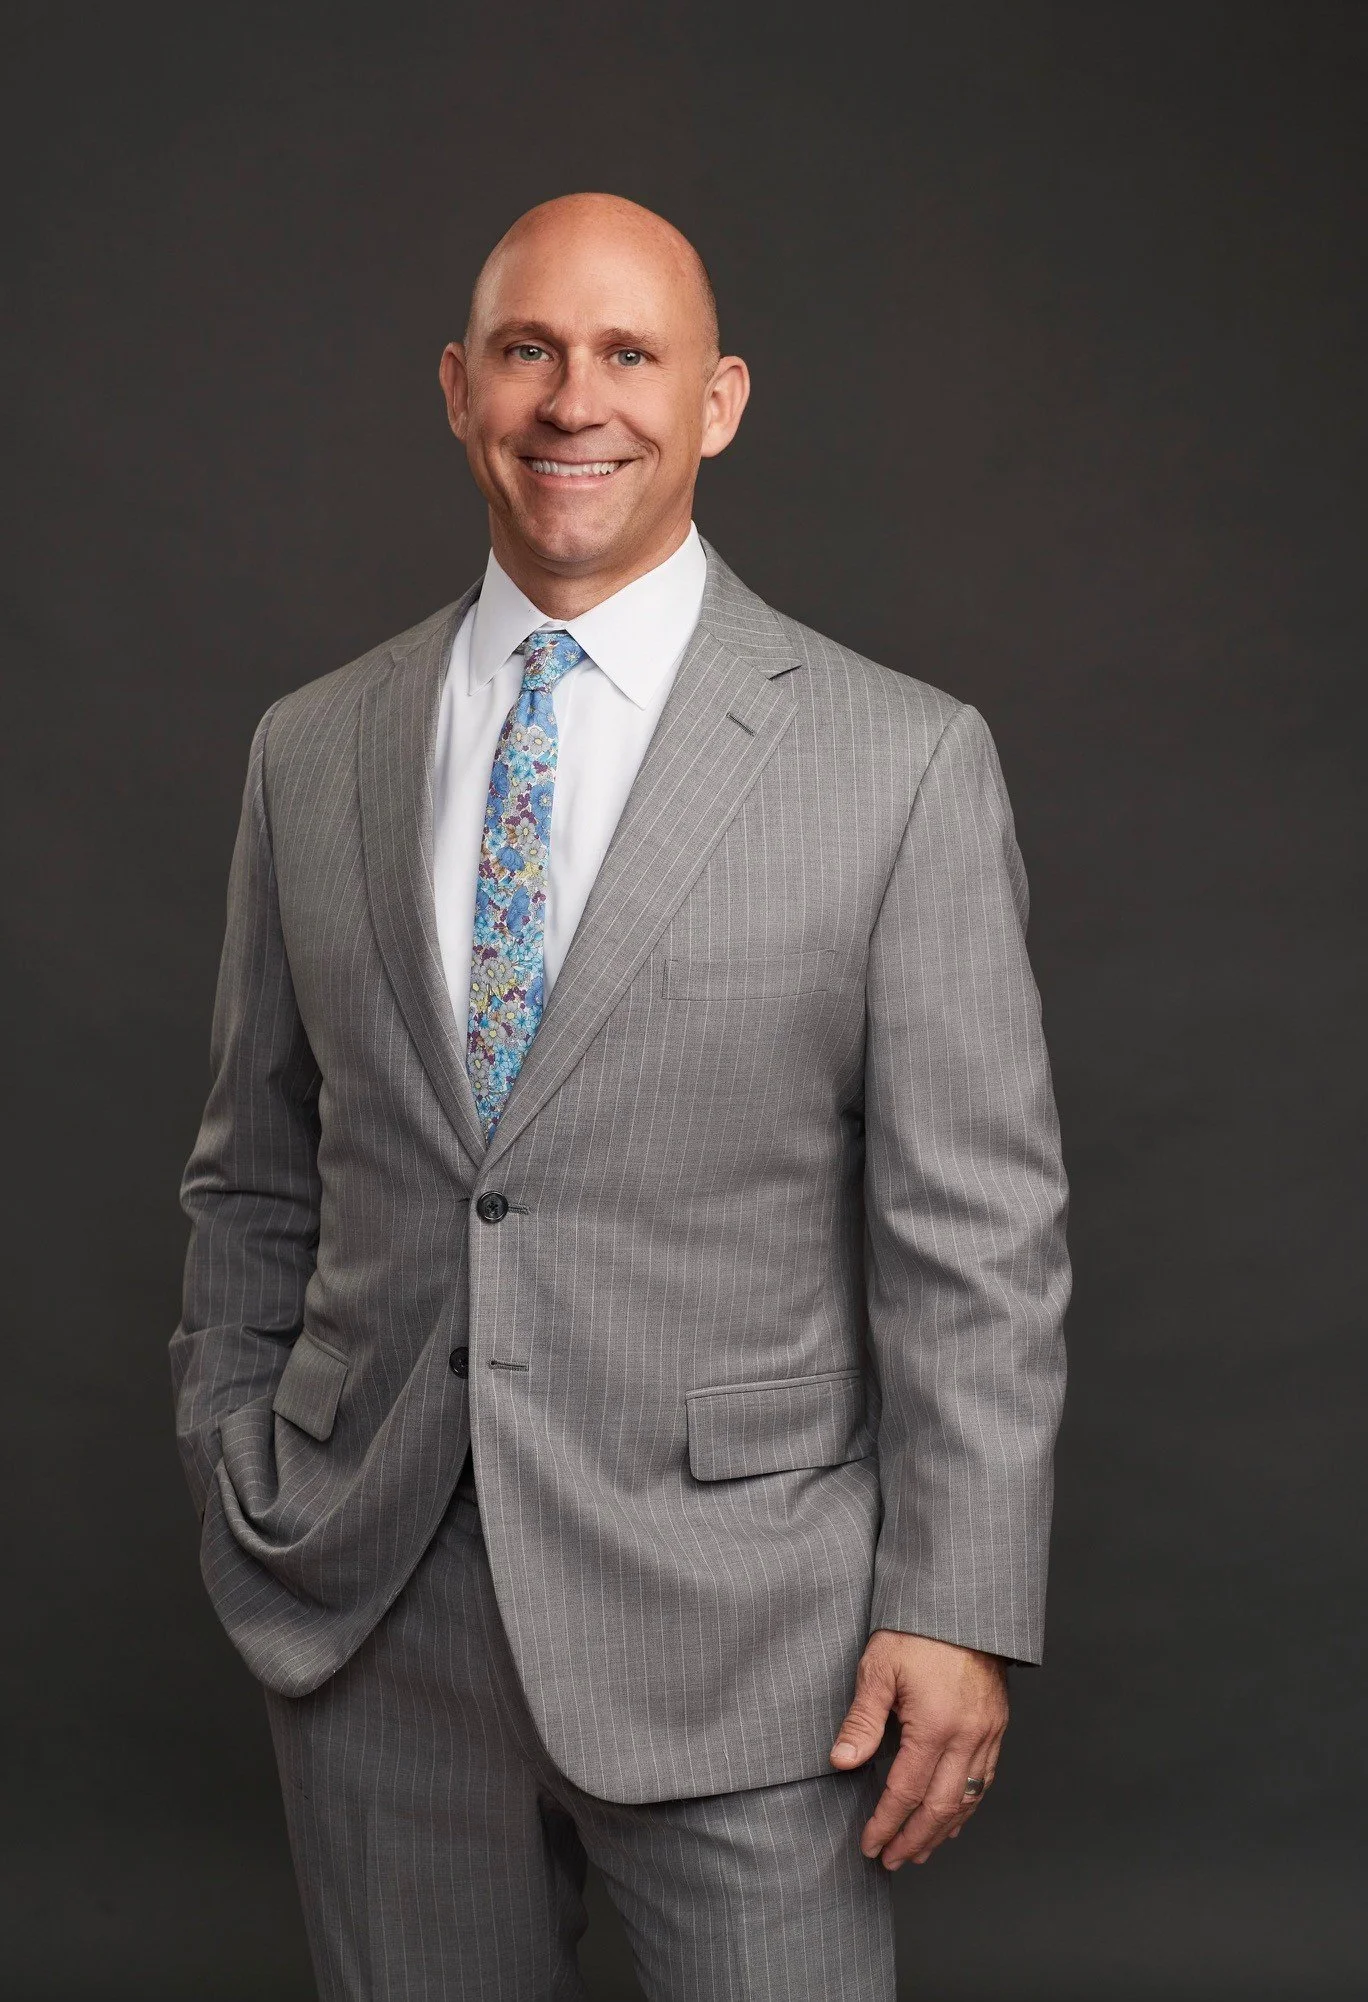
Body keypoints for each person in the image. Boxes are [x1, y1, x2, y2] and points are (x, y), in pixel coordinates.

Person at [170, 191, 1070, 2001]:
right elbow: (252, 1175)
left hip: (750, 1636)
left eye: (630, 354)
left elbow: (976, 1227)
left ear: (718, 401)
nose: (576, 399)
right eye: (529, 350)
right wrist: (241, 1463)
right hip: (371, 1614)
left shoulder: (900, 763)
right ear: (458, 389)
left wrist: (960, 1601)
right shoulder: (312, 745)